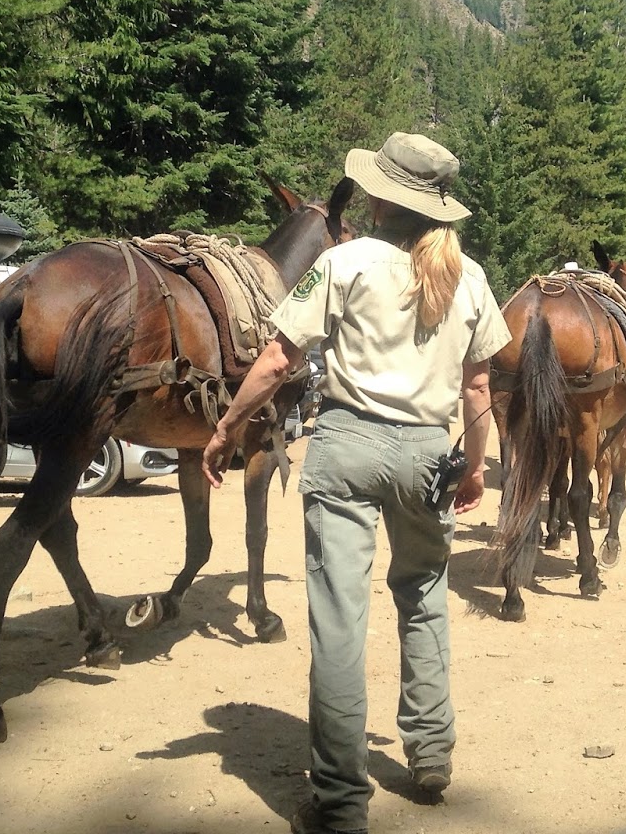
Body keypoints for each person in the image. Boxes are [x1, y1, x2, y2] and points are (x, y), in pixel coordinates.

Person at [204, 133, 510, 834]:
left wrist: (225, 427)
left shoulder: (343, 263)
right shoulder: (470, 276)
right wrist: (474, 466)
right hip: (427, 454)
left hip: (347, 447)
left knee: (340, 617)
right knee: (425, 596)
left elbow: (277, 361)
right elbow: (478, 387)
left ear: (378, 198)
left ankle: (341, 803)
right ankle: (430, 755)